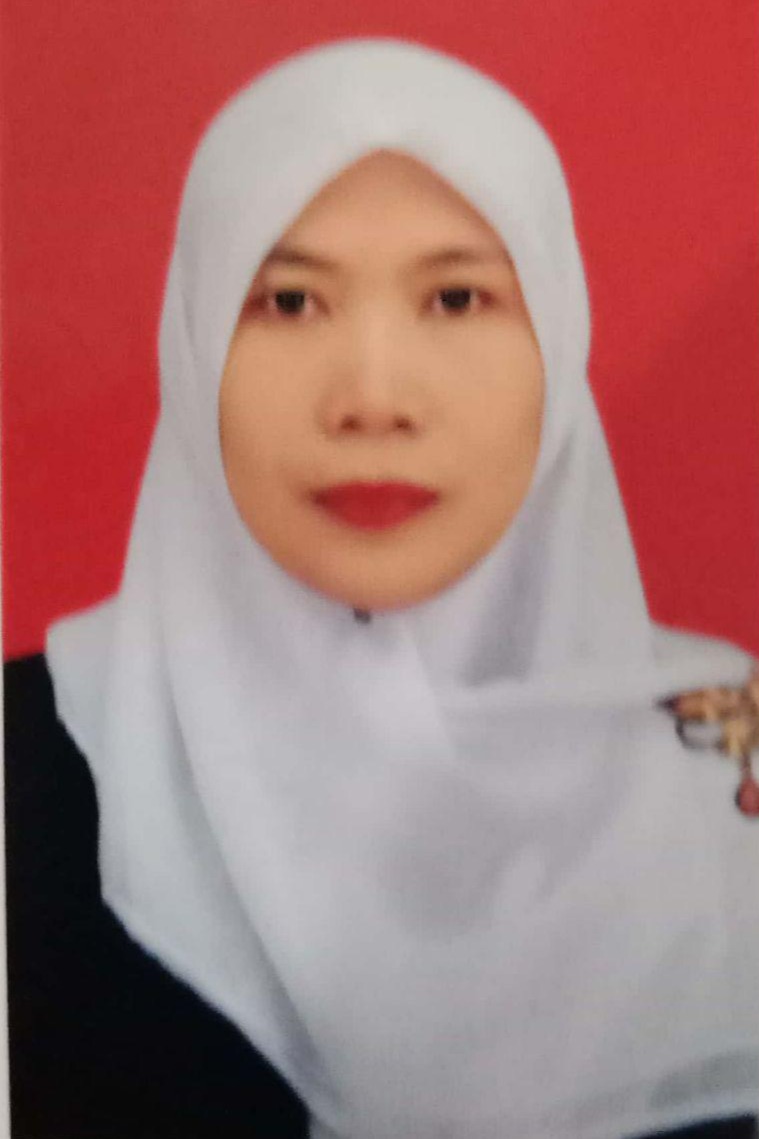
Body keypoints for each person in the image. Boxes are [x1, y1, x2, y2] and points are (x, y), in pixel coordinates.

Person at [5, 36, 759, 1139]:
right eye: (288, 302)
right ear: (194, 342)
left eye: (456, 298)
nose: (371, 396)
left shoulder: (727, 760)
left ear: (558, 343)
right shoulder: (27, 760)